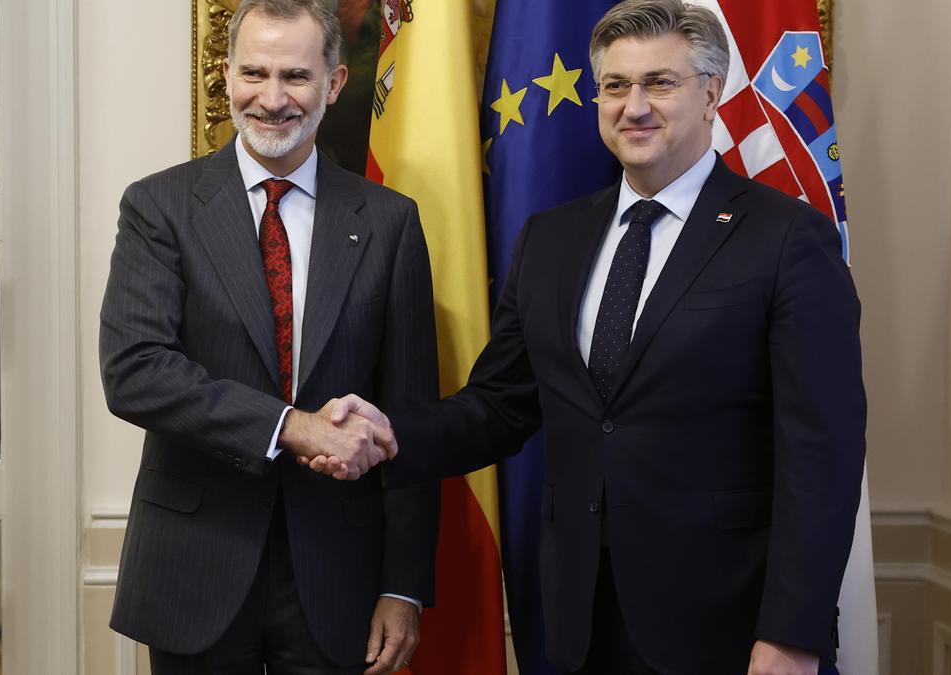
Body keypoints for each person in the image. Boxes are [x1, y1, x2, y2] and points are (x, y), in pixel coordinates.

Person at [313, 1, 866, 673]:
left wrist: (794, 632)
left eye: (660, 83)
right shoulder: (553, 238)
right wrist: (386, 434)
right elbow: (498, 405)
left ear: (713, 93)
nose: (635, 105)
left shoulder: (785, 239)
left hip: (732, 629)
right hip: (577, 622)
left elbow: (822, 454)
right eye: (615, 86)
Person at [98, 1, 439, 672]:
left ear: (334, 83)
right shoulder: (159, 207)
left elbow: (410, 413)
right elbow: (136, 371)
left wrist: (403, 583)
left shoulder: (390, 222)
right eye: (254, 73)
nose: (272, 98)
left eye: (296, 76)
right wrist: (292, 426)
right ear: (226, 76)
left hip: (338, 573)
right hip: (196, 562)